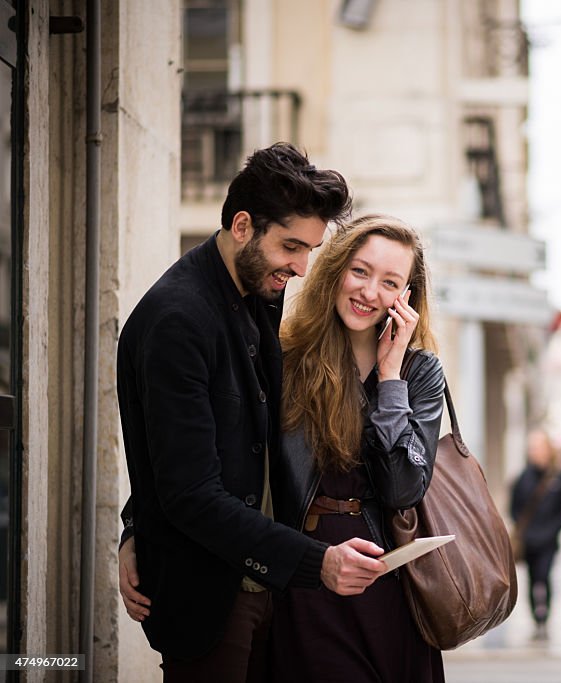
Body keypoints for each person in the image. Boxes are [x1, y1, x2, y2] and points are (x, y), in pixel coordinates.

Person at [117, 143, 388, 682]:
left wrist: (135, 522)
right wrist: (321, 562)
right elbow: (190, 492)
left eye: (310, 249)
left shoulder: (256, 293)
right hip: (209, 601)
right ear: (242, 225)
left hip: (267, 591)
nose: (302, 266)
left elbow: (212, 444)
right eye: (291, 246)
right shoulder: (178, 319)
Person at [268, 214, 447, 682]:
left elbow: (403, 489)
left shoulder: (419, 372)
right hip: (307, 569)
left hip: (387, 581)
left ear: (406, 297)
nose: (370, 292)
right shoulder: (285, 356)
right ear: (336, 270)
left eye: (390, 282)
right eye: (360, 271)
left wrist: (390, 381)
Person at [509, 430, 561, 642]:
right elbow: (515, 508)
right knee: (533, 578)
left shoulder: (557, 478)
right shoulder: (523, 478)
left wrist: (551, 531)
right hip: (529, 540)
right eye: (532, 449)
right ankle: (536, 616)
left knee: (544, 576)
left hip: (549, 540)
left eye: (539, 448)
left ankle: (545, 615)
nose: (535, 452)